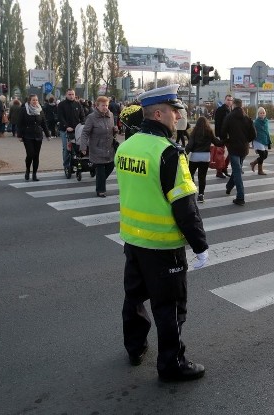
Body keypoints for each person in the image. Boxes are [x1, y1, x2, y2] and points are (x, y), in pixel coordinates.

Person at [114, 84, 209, 382]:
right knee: (170, 308)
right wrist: (200, 245)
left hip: (133, 240)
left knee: (134, 297)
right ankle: (172, 363)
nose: (179, 115)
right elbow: (184, 207)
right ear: (159, 113)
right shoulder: (168, 152)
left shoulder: (127, 146)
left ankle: (135, 347)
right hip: (164, 246)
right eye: (174, 110)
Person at [79, 96, 118, 197]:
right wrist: (83, 147)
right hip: (97, 147)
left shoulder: (111, 115)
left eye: (106, 105)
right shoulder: (91, 117)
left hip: (109, 148)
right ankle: (100, 190)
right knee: (100, 170)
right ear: (97, 106)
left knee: (110, 166)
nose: (105, 107)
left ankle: (99, 181)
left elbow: (112, 132)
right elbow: (85, 133)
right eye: (103, 105)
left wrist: (115, 130)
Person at [221, 98, 256, 206]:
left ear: (234, 105)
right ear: (242, 106)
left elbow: (223, 133)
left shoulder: (229, 117)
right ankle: (229, 186)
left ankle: (240, 197)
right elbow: (254, 134)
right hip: (244, 149)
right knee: (237, 170)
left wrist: (227, 141)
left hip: (234, 148)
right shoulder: (247, 118)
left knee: (237, 172)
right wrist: (246, 141)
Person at [185, 116, 223, 203]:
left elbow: (190, 145)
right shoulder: (209, 132)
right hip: (205, 157)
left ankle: (192, 191)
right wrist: (226, 140)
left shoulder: (194, 132)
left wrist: (183, 153)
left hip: (195, 157)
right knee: (202, 177)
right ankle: (201, 195)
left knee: (190, 174)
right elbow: (217, 142)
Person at [17, 94, 50, 181]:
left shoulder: (40, 110)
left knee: (36, 156)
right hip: (27, 135)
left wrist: (47, 135)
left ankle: (34, 174)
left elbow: (44, 123)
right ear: (29, 101)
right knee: (30, 154)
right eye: (33, 100)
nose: (35, 102)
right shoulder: (24, 110)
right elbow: (19, 123)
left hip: (38, 135)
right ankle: (28, 170)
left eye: (36, 100)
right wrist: (19, 135)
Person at [57, 89, 85, 175]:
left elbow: (82, 116)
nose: (71, 96)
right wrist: (66, 126)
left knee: (76, 149)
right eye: (69, 94)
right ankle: (66, 166)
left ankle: (75, 165)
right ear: (66, 95)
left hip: (77, 130)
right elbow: (60, 117)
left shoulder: (78, 104)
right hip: (65, 130)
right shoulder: (61, 105)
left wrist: (82, 125)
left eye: (72, 94)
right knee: (66, 149)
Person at [213, 95, 233, 178]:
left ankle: (224, 167)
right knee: (220, 154)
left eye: (231, 100)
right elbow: (217, 123)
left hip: (230, 135)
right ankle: (219, 171)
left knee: (232, 152)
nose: (229, 101)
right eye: (228, 100)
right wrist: (217, 135)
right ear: (225, 100)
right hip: (222, 135)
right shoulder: (220, 110)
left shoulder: (231, 110)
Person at [250, 107, 272, 175]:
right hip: (257, 140)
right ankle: (260, 170)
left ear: (265, 114)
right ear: (258, 114)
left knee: (265, 155)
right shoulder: (256, 122)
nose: (262, 114)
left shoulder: (266, 121)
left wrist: (269, 142)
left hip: (264, 140)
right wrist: (251, 142)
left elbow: (267, 132)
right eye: (260, 113)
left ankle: (253, 163)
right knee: (262, 155)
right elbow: (252, 132)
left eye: (263, 113)